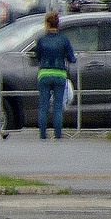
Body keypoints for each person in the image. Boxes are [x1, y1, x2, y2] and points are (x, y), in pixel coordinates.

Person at [34, 11, 75, 141]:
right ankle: (57, 135)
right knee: (58, 107)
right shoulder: (64, 40)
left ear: (47, 24)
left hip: (44, 74)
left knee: (43, 106)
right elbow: (72, 58)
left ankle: (43, 135)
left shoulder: (41, 39)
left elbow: (37, 57)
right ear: (57, 24)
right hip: (59, 75)